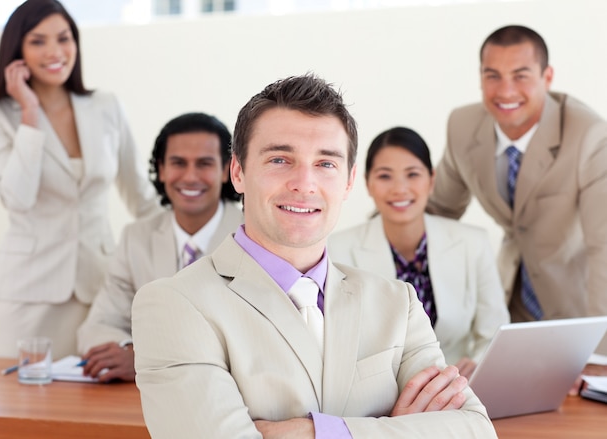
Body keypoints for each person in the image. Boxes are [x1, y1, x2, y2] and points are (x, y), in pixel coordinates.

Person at [131, 74, 497, 438]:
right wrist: (393, 428)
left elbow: (476, 431)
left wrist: (311, 432)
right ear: (238, 172)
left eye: (325, 164)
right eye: (279, 159)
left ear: (349, 181)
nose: (304, 183)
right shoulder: (174, 304)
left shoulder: (397, 304)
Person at [0, 0, 159, 359]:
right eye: (38, 41)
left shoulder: (106, 106)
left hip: (97, 291)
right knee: (10, 406)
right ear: (17, 52)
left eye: (64, 38)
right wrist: (29, 113)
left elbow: (140, 195)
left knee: (85, 408)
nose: (55, 51)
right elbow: (17, 197)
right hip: (25, 294)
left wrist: (194, 243)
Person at [428, 25, 607, 325]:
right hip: (509, 302)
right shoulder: (462, 125)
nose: (506, 91)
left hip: (580, 311)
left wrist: (601, 356)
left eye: (520, 76)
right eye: (492, 75)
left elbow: (604, 245)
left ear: (547, 77)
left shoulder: (589, 136)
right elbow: (439, 212)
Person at [329, 127, 509, 379]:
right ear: (367, 183)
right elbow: (336, 343)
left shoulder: (472, 243)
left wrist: (478, 364)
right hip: (377, 397)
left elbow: (495, 332)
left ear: (431, 180)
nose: (400, 189)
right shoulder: (336, 249)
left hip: (457, 389)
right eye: (384, 176)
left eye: (412, 174)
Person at [76, 112, 243, 382]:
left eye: (204, 164)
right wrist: (124, 351)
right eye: (178, 163)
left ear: (227, 170)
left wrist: (146, 359)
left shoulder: (254, 237)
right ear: (161, 169)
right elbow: (98, 326)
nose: (190, 176)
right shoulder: (136, 238)